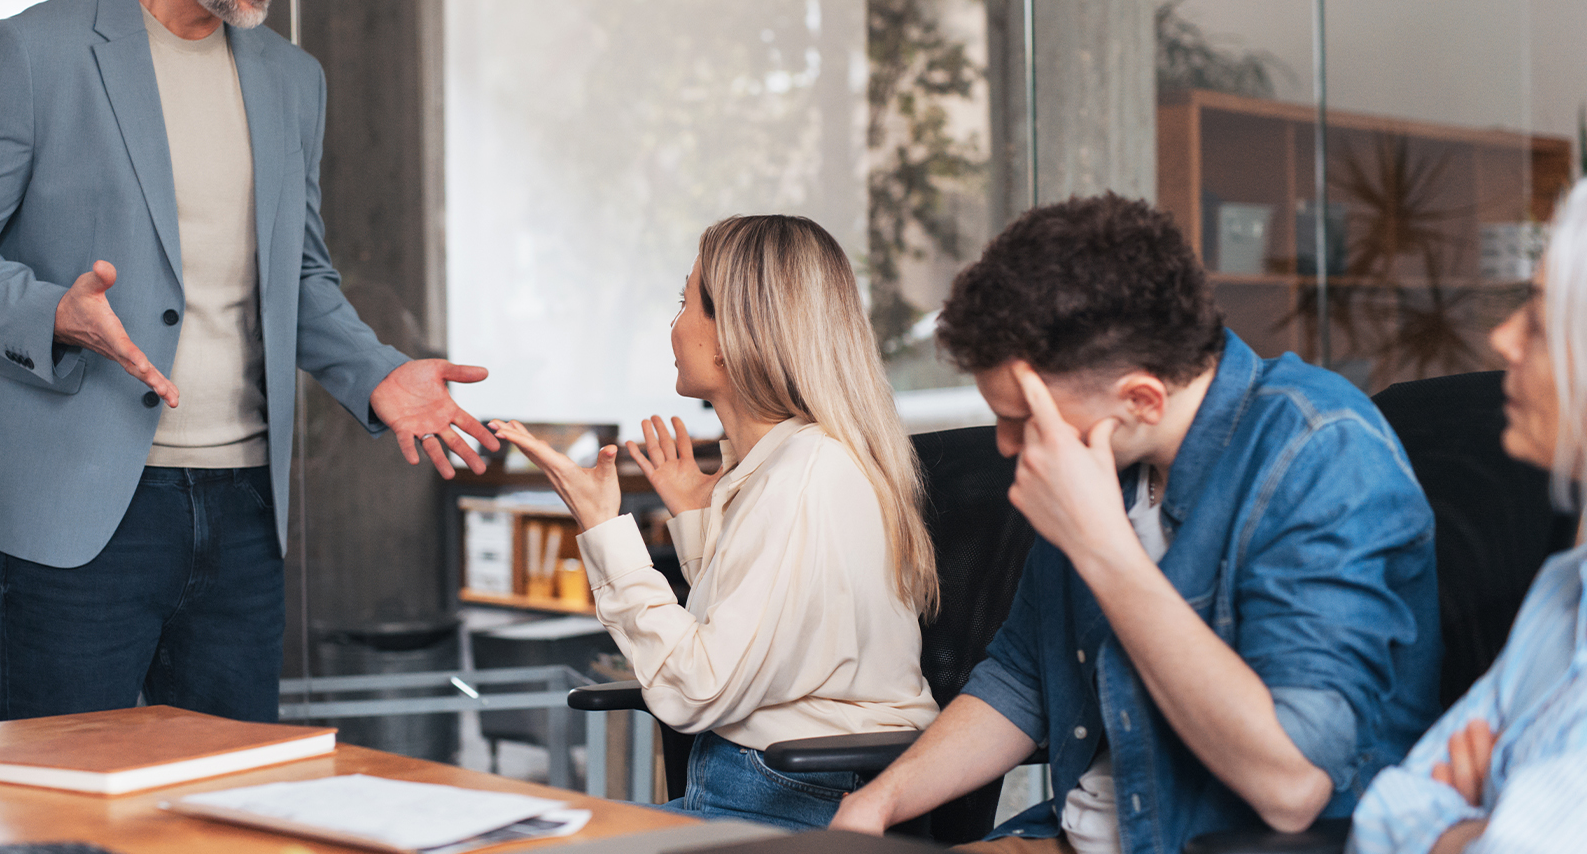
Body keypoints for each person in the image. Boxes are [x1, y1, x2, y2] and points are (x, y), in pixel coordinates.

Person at [0, 0, 497, 722]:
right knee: (68, 801)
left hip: (247, 511)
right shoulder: (33, 54)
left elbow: (299, 275)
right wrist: (51, 310)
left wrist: (376, 374)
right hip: (81, 508)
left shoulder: (294, 82)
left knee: (230, 798)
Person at [831, 193, 1442, 853]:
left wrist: (1103, 549)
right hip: (1070, 836)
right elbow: (1022, 678)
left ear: (1143, 398)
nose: (1006, 447)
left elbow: (1292, 785)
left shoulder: (1322, 454)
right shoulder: (1110, 460)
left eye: (1025, 420)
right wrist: (878, 803)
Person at [494, 215, 939, 829]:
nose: (674, 325)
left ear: (732, 332)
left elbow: (698, 688)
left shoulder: (808, 474)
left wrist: (604, 527)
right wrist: (700, 520)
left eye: (686, 302)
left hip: (793, 799)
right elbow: (768, 643)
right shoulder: (789, 464)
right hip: (761, 783)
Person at [1350, 183, 1587, 854]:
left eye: (1542, 317)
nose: (1502, 337)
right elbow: (1389, 806)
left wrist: (1455, 831)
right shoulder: (1562, 589)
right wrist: (1469, 831)